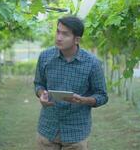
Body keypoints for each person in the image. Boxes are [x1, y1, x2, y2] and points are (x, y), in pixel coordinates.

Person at [34, 16, 108, 150]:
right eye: (58, 31)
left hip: (76, 133)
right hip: (47, 129)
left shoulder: (92, 63)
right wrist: (42, 94)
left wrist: (84, 100)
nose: (59, 37)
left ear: (77, 39)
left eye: (65, 34)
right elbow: (38, 84)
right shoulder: (45, 57)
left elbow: (102, 96)